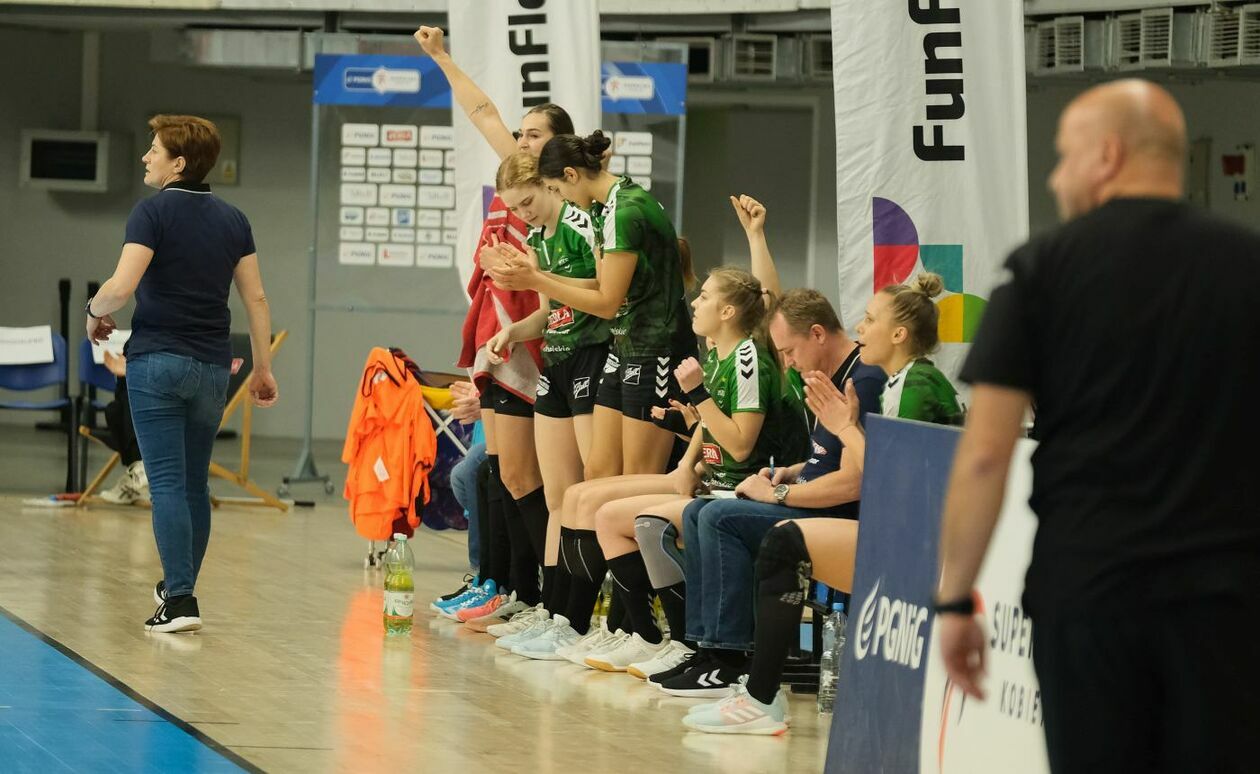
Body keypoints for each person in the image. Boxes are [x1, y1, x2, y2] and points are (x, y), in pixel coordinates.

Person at [936, 79, 1260, 773]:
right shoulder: (1247, 266)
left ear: (1107, 155)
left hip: (1089, 595)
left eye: (1063, 156)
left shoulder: (1040, 272)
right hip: (1226, 601)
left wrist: (955, 599)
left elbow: (986, 456)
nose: (1055, 178)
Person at [684, 274, 961, 734]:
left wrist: (844, 426)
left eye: (870, 319)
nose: (859, 326)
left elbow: (886, 476)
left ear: (899, 334)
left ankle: (754, 687)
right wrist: (809, 459)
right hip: (905, 529)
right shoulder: (899, 382)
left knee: (781, 542)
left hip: (922, 543)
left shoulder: (917, 386)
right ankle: (753, 688)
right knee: (774, 540)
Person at [638, 288, 884, 699]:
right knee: (700, 511)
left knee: (719, 518)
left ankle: (732, 659)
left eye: (790, 351)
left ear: (818, 334)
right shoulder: (831, 373)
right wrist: (791, 471)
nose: (788, 361)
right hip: (809, 494)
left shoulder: (865, 380)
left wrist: (779, 494)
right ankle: (707, 648)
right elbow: (831, 457)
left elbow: (856, 480)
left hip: (835, 514)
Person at [86, 114, 277, 633]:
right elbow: (255, 298)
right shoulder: (234, 219)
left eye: (154, 150)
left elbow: (121, 289)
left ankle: (181, 600)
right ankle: (178, 587)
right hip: (214, 368)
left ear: (179, 163)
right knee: (193, 483)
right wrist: (262, 367)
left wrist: (92, 310)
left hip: (158, 364)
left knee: (166, 483)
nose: (146, 157)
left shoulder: (151, 213)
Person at [413, 25, 576, 615]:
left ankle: (541, 599)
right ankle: (509, 589)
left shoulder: (563, 200)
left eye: (535, 134)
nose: (522, 140)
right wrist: (442, 57)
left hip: (545, 349)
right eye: (522, 132)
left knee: (522, 481)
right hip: (501, 342)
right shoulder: (514, 174)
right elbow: (481, 108)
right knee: (501, 477)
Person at [93, 351, 149, 505]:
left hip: (184, 398)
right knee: (115, 409)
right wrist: (125, 374)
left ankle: (142, 470)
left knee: (132, 400)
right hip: (147, 401)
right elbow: (121, 392)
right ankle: (138, 468)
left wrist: (138, 373)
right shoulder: (138, 340)